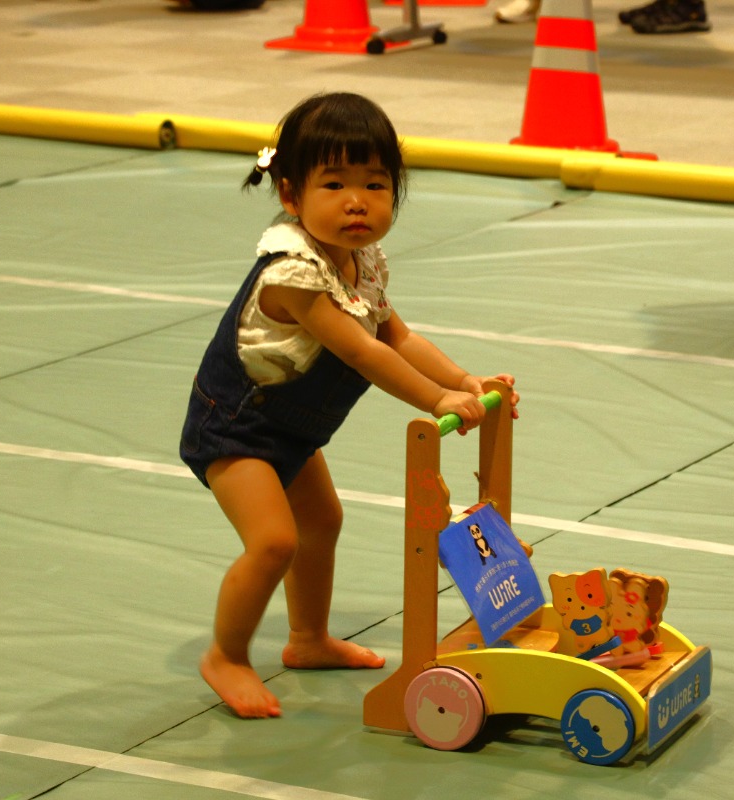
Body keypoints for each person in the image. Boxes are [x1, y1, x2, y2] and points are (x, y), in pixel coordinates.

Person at [179, 92, 520, 719]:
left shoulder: (360, 263)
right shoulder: (294, 276)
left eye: (375, 183)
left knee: (322, 522)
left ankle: (307, 640)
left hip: (290, 428)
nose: (357, 200)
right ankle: (226, 655)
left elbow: (397, 335)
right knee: (274, 541)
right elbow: (365, 354)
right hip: (236, 426)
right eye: (334, 184)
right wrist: (438, 397)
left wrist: (465, 378)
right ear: (290, 195)